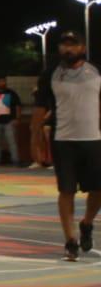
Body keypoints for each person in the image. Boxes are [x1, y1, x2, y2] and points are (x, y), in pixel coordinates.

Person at [38, 30, 101, 260]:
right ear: (59, 49)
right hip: (63, 141)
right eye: (64, 45)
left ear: (82, 48)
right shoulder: (49, 75)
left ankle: (86, 223)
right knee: (66, 191)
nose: (68, 49)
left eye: (73, 45)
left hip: (93, 139)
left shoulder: (96, 71)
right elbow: (38, 109)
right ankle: (70, 240)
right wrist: (36, 136)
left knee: (98, 190)